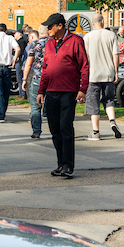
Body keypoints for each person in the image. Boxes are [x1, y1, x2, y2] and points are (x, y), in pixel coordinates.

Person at [38, 12, 89, 179]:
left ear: (60, 26)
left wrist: (83, 89)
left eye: (50, 26)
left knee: (65, 127)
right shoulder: (49, 44)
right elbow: (45, 68)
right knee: (54, 130)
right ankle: (60, 163)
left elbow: (84, 66)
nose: (48, 29)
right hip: (51, 91)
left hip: (68, 91)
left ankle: (68, 165)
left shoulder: (75, 41)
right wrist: (41, 91)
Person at [83, 14, 121, 141]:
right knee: (109, 99)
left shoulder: (87, 37)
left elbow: (85, 57)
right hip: (108, 73)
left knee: (93, 103)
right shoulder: (111, 35)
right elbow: (116, 55)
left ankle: (96, 131)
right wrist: (116, 71)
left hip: (93, 74)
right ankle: (112, 121)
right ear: (103, 22)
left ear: (93, 23)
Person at [0, 23, 19, 122]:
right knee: (6, 91)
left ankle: (1, 115)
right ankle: (3, 112)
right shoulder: (10, 38)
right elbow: (17, 48)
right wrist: (14, 60)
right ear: (6, 31)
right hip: (7, 66)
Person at [22, 24, 48, 139]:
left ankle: (36, 131)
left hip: (38, 77)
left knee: (35, 106)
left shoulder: (34, 44)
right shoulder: (55, 43)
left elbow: (28, 63)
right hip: (52, 78)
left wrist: (24, 79)